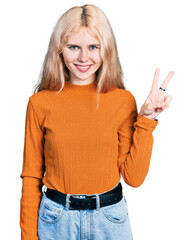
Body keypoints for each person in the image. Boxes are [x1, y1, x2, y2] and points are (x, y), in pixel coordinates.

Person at [19, 4, 175, 240]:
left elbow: (134, 178)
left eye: (93, 47)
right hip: (56, 221)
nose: (84, 57)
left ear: (107, 50)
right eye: (73, 47)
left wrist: (146, 120)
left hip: (110, 221)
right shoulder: (39, 103)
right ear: (59, 49)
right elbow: (31, 176)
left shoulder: (122, 100)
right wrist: (28, 237)